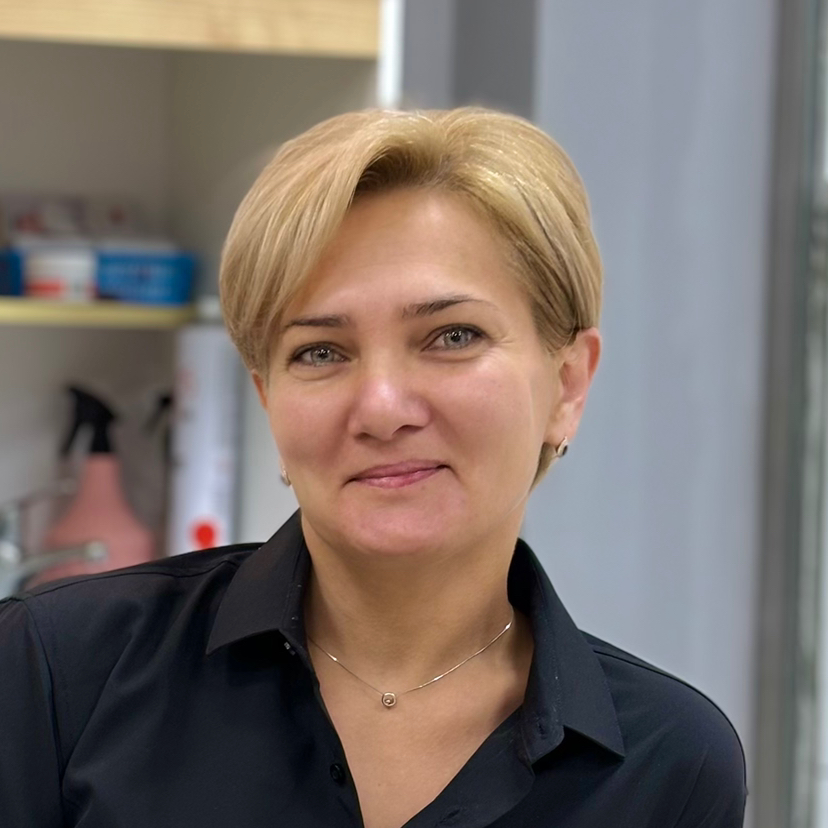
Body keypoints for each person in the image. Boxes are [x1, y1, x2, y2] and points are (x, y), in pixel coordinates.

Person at [0, 108, 746, 828]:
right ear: (268, 399)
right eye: (320, 352)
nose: (383, 408)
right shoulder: (56, 672)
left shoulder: (671, 766)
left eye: (452, 336)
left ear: (568, 385)